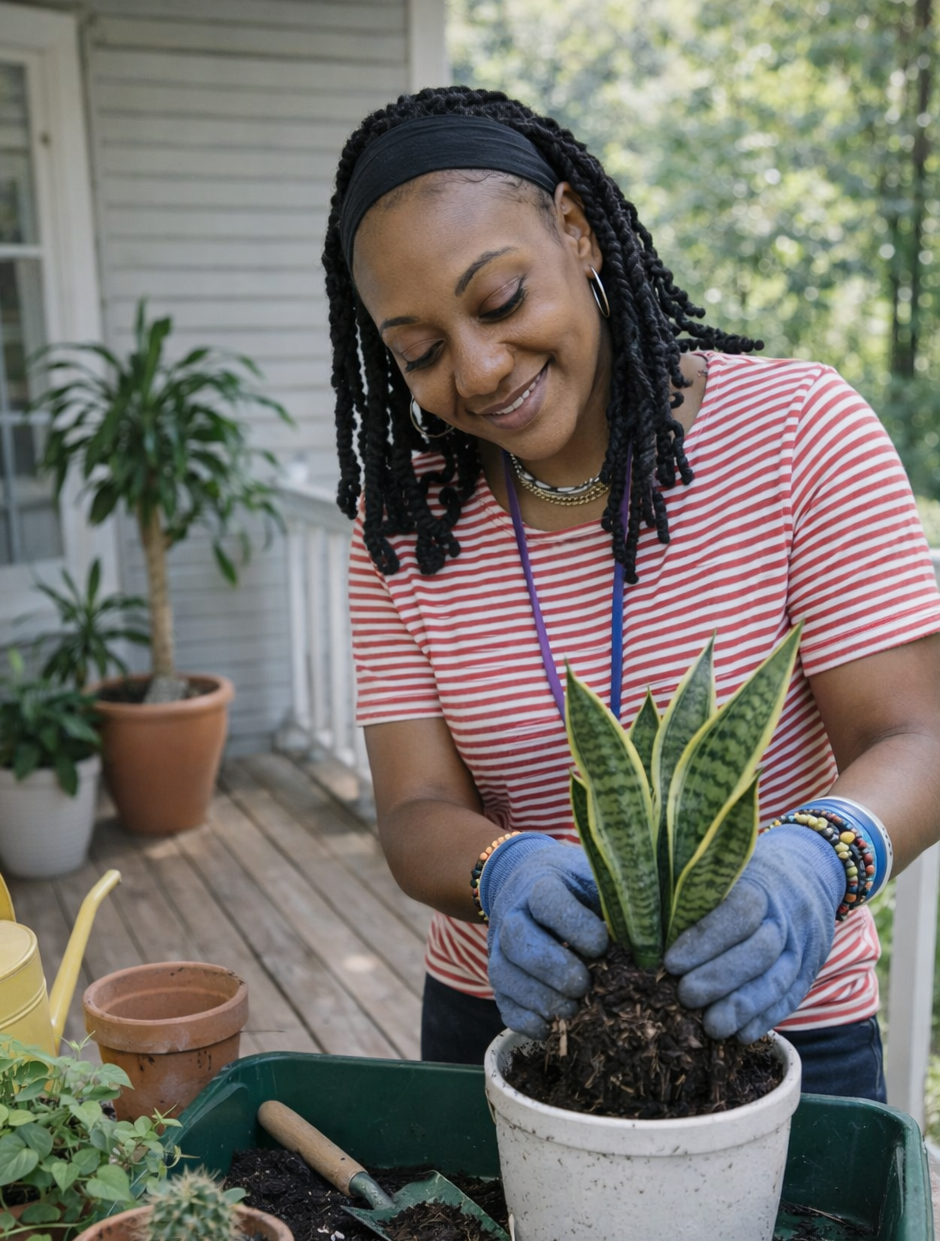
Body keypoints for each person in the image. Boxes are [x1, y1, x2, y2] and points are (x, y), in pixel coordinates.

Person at [324, 86, 940, 1101]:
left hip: (774, 1019)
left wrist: (815, 863)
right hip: (506, 1018)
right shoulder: (403, 522)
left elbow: (915, 738)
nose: (478, 373)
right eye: (420, 353)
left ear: (576, 232)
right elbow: (415, 808)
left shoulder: (796, 435)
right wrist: (501, 872)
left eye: (501, 300)